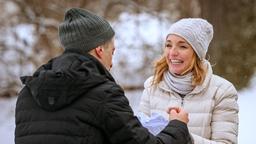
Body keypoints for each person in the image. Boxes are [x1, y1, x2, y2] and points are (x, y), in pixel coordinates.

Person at [15, 8, 192, 144]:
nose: (112, 63)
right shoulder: (104, 94)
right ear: (99, 50)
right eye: (112, 52)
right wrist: (178, 125)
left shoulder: (27, 94)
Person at [139, 18, 239, 144]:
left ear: (197, 53)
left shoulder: (222, 91)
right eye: (168, 45)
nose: (172, 52)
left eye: (182, 46)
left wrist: (184, 136)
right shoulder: (151, 86)